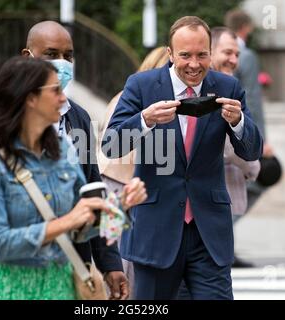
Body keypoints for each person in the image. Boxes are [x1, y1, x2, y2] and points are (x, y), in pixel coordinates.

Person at [0, 21, 131, 299]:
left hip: (64, 272)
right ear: (27, 57)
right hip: (4, 273)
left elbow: (88, 192)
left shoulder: (77, 121)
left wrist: (109, 256)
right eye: (51, 54)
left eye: (68, 56)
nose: (63, 64)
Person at [102, 16, 263, 300]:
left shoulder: (227, 88)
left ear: (210, 52)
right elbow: (111, 145)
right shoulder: (142, 85)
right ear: (170, 54)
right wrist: (144, 120)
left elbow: (251, 151)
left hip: (208, 231)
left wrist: (239, 123)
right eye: (185, 55)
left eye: (202, 55)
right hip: (156, 227)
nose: (194, 64)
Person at [97, 46, 169, 298]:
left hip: (116, 188)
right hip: (121, 191)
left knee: (118, 265)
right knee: (118, 268)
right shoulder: (142, 102)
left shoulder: (123, 97)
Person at [211, 27, 261, 268]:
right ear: (208, 52)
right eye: (227, 52)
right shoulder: (210, 91)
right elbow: (227, 149)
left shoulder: (231, 87)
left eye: (236, 54)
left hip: (222, 199)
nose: (233, 59)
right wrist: (252, 165)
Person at [224, 9, 275, 210]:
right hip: (242, 131)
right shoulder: (246, 56)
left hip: (230, 127)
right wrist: (261, 139)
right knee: (259, 180)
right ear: (246, 27)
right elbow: (252, 99)